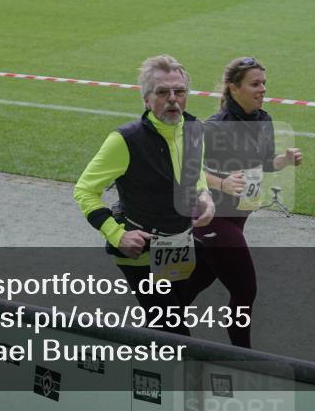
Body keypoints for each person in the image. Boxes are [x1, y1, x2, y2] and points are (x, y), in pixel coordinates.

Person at [73, 54, 214, 335]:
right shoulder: (125, 140)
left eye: (179, 91)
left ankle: (147, 344)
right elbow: (85, 190)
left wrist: (204, 195)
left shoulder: (194, 129)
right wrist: (117, 235)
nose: (173, 99)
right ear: (147, 100)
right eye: (162, 92)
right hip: (141, 252)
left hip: (179, 243)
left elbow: (195, 172)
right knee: (175, 333)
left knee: (175, 310)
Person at [185, 57, 302, 348]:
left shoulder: (264, 120)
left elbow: (264, 162)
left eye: (264, 83)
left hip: (238, 216)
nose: (262, 89)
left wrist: (284, 161)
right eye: (255, 84)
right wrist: (222, 183)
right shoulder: (213, 127)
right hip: (212, 218)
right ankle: (242, 356)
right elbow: (188, 171)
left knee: (197, 281)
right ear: (233, 88)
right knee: (245, 289)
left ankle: (156, 325)